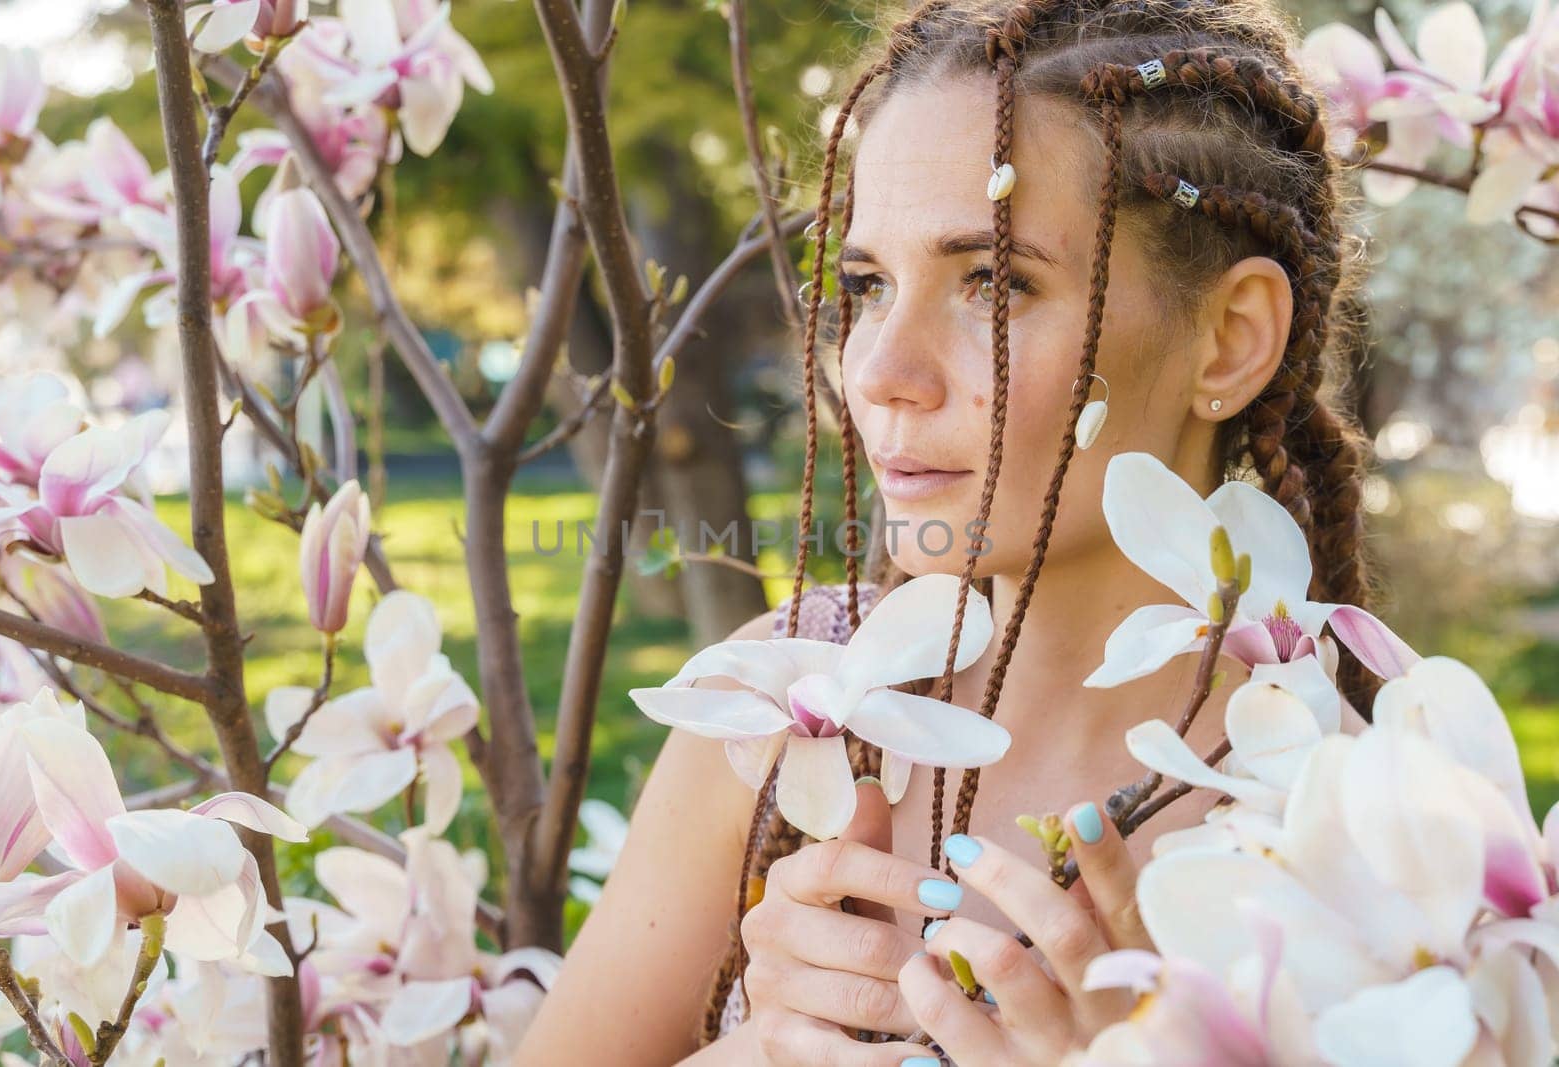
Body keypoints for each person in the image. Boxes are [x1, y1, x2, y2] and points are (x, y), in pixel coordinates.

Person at [517, 0, 1384, 1061]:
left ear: (1228, 340)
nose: (880, 371)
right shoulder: (785, 704)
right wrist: (755, 1048)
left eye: (994, 284)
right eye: (868, 285)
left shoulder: (1365, 822)